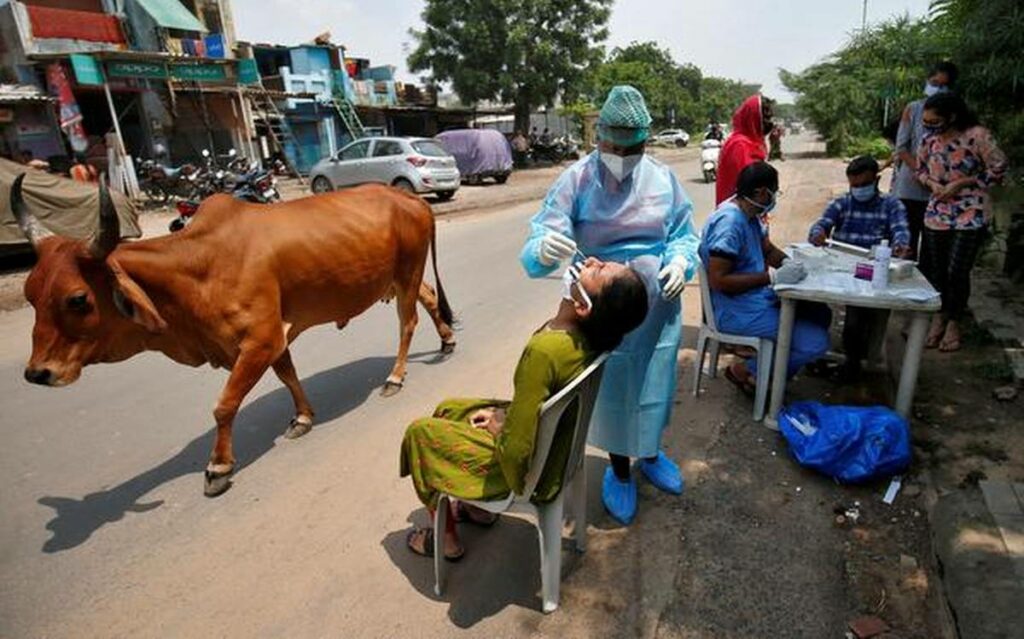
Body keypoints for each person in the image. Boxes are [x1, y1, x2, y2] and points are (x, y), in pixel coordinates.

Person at [519, 85, 700, 525]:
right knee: (615, 391)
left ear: (645, 141)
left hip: (656, 307)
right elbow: (542, 234)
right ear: (598, 137)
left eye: (632, 147)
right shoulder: (577, 180)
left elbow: (684, 234)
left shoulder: (661, 179)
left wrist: (680, 261)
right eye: (613, 145)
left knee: (654, 384)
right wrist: (543, 249)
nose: (621, 155)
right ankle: (620, 470)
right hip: (602, 307)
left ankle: (651, 453)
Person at [401, 259, 649, 560]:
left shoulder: (546, 351)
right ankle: (477, 510)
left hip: (529, 472)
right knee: (449, 409)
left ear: (583, 307)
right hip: (554, 448)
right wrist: (503, 417)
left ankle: (448, 540)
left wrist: (499, 426)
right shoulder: (592, 338)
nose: (592, 260)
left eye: (597, 271)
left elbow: (517, 451)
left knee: (419, 432)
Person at [700, 161, 831, 393]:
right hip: (735, 310)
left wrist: (790, 263)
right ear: (761, 192)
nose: (773, 199)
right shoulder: (730, 223)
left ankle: (770, 372)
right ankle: (748, 371)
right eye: (774, 192)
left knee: (819, 312)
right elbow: (718, 281)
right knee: (815, 343)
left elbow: (767, 250)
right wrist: (771, 277)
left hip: (754, 299)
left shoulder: (749, 215)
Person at [915, 92, 1007, 352]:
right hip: (937, 213)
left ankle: (955, 322)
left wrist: (964, 182)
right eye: (927, 122)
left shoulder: (977, 136)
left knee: (958, 270)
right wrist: (932, 183)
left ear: (952, 117)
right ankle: (939, 316)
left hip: (971, 212)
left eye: (935, 122)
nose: (930, 127)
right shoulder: (928, 140)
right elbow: (920, 170)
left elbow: (998, 169)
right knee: (937, 269)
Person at [809, 156, 911, 378]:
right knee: (823, 307)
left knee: (864, 312)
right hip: (842, 268)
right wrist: (818, 233)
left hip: (873, 269)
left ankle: (857, 360)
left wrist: (901, 245)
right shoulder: (842, 203)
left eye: (864, 185)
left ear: (876, 180)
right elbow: (821, 224)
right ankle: (846, 357)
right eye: (854, 186)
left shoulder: (892, 205)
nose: (859, 190)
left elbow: (901, 231)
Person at [893, 61, 959, 257]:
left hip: (942, 191)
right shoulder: (913, 109)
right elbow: (901, 148)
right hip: (911, 188)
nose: (938, 88)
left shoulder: (957, 115)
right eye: (934, 83)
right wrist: (924, 174)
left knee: (935, 252)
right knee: (907, 244)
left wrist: (937, 181)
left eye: (943, 85)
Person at [716, 94, 773, 205]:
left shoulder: (752, 142)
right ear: (753, 117)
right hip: (739, 213)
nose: (769, 122)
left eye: (770, 118)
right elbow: (750, 186)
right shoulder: (740, 145)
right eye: (765, 118)